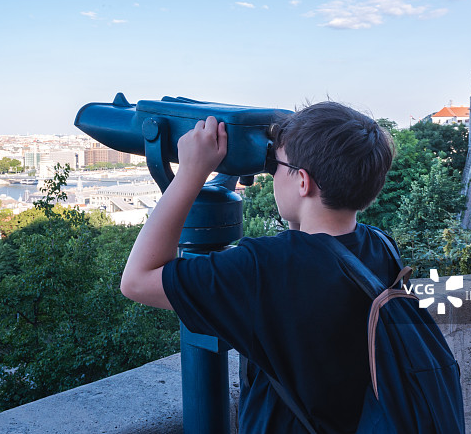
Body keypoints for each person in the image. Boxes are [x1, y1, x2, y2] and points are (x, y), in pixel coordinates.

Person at [120, 102, 396, 433]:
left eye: (274, 163)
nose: (270, 172)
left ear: (303, 182)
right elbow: (316, 262)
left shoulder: (262, 268)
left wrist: (192, 172)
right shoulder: (382, 248)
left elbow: (137, 280)